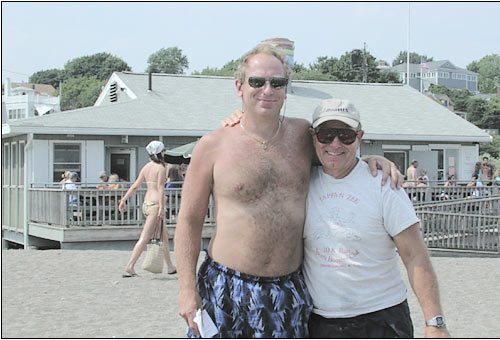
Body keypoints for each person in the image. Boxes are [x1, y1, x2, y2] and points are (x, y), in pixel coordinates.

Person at [175, 44, 401, 338]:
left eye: (277, 83)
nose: (267, 90)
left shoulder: (303, 136)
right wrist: (186, 290)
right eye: (257, 81)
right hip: (226, 286)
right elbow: (189, 220)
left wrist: (372, 159)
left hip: (288, 290)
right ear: (239, 86)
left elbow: (336, 152)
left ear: (286, 89)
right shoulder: (212, 146)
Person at [304, 99, 450, 338]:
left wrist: (435, 324)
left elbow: (414, 255)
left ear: (359, 137)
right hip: (320, 321)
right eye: (326, 134)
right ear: (313, 137)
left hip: (381, 318)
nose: (335, 143)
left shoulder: (384, 184)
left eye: (346, 135)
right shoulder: (301, 181)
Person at [118, 141, 176, 277]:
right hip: (156, 205)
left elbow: (135, 186)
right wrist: (162, 207)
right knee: (144, 237)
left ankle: (170, 267)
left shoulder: (146, 167)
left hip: (147, 204)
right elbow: (161, 188)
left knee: (164, 236)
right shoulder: (161, 168)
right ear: (160, 153)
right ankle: (130, 266)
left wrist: (124, 199)